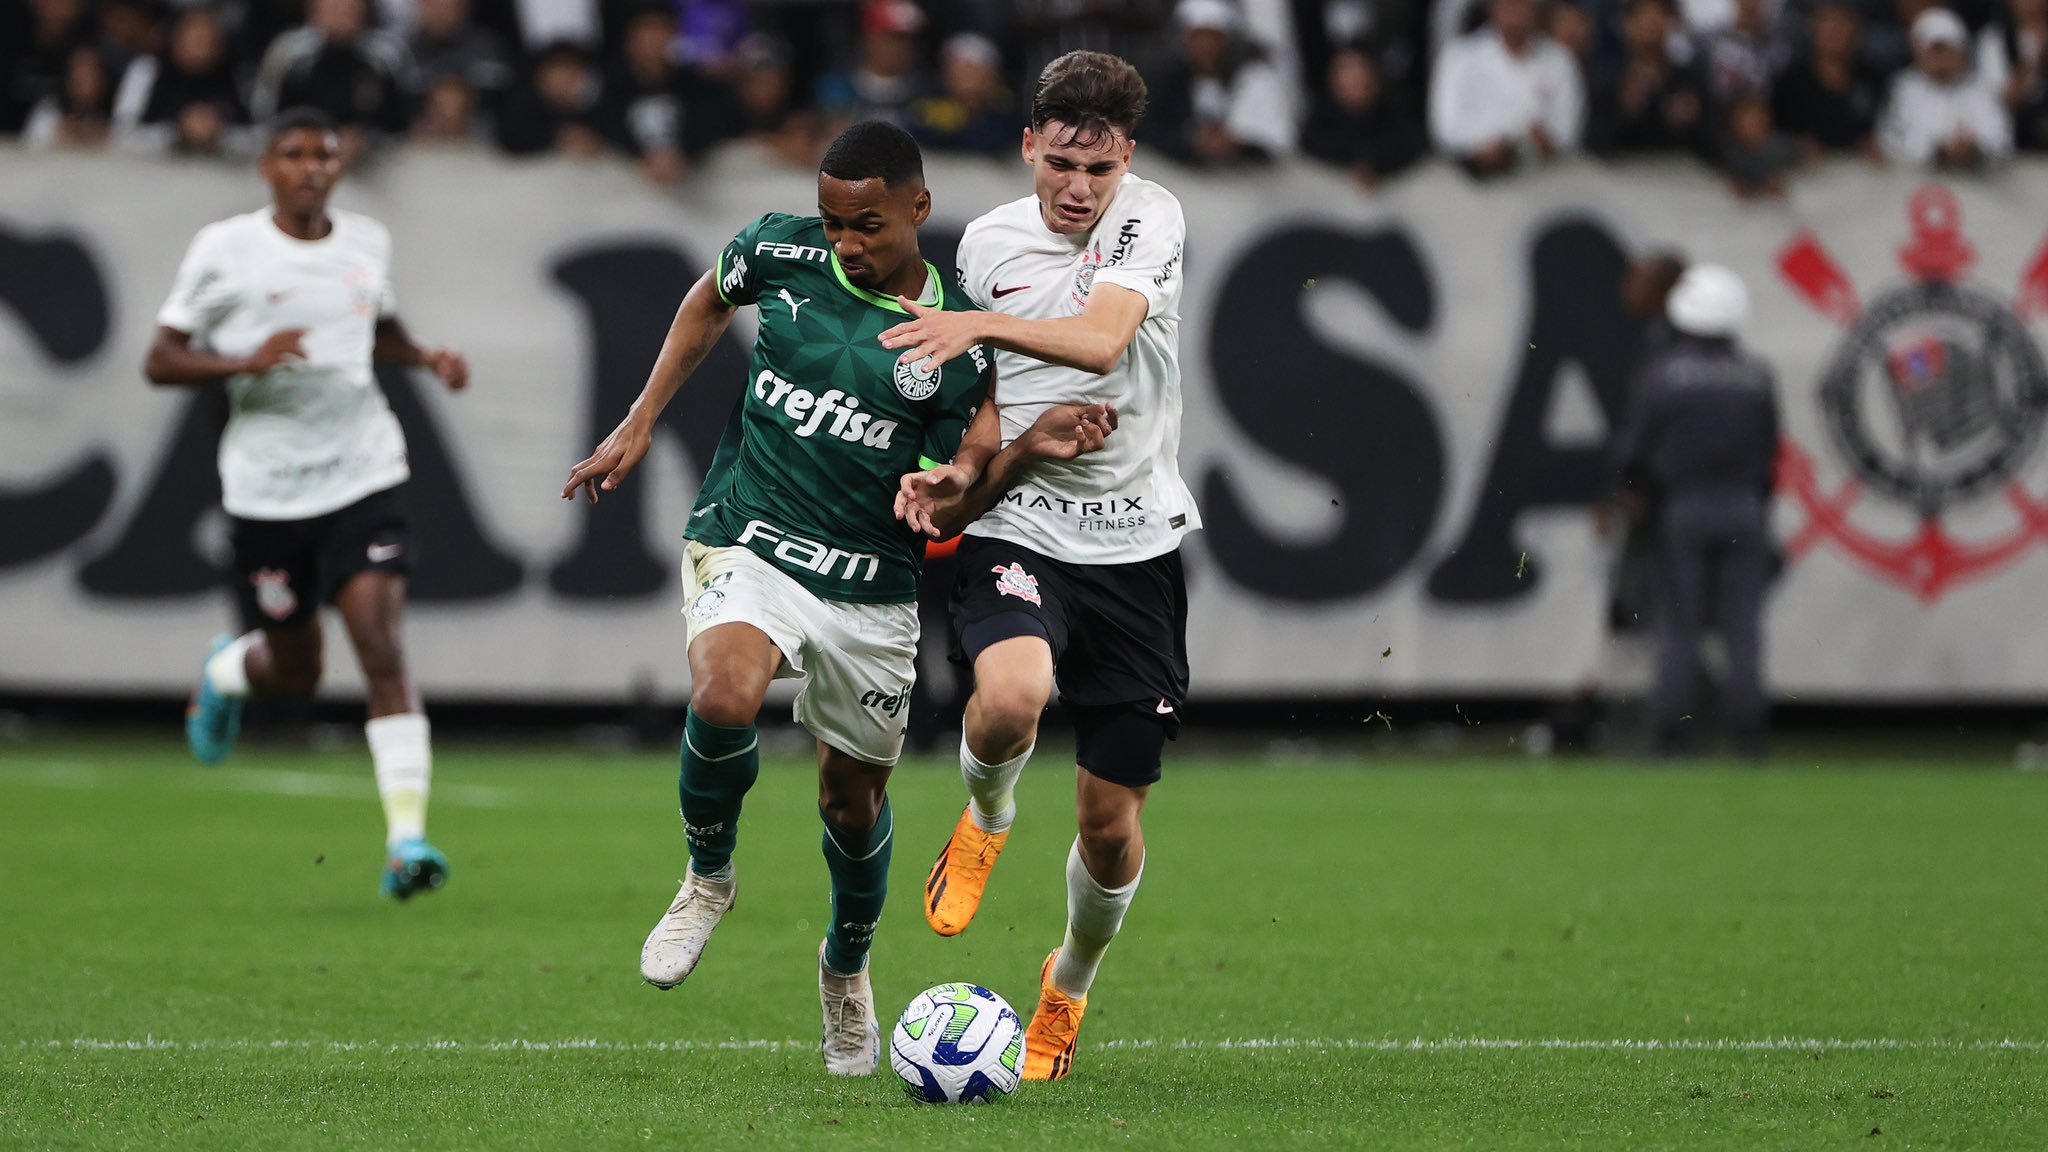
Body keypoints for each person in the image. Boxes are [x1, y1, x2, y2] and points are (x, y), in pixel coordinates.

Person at [559, 120, 1112, 1077]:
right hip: (750, 533)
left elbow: (968, 479)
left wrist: (987, 469)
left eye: (866, 226)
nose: (844, 245)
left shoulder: (953, 340)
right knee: (723, 695)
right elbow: (708, 298)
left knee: (850, 803)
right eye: (831, 223)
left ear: (918, 210)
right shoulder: (779, 248)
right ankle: (708, 875)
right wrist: (640, 419)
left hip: (868, 585)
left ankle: (846, 970)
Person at [880, 49, 1198, 1082]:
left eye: (1096, 170)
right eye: (1060, 162)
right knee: (1010, 698)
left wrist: (970, 317)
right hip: (1022, 525)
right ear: (1027, 146)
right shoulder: (986, 242)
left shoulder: (1151, 217)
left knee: (1109, 831)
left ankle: (1068, 980)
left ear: (1126, 163)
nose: (1076, 189)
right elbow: (984, 396)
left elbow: (1104, 342)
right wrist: (963, 470)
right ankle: (983, 818)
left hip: (1136, 546)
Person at [145, 107, 471, 900]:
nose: (311, 168)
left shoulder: (366, 240)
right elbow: (160, 359)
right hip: (267, 491)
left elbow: (373, 327)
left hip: (363, 471)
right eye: (293, 155)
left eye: (324, 155)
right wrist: (240, 360)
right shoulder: (226, 249)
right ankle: (227, 673)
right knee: (296, 669)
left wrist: (423, 354)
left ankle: (407, 843)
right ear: (267, 166)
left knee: (381, 648)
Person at [1616, 264, 1780, 759]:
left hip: (1683, 509)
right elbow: (1771, 451)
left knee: (1679, 625)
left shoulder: (1664, 375)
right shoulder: (1757, 376)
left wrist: (1635, 502)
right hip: (1744, 508)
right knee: (1742, 626)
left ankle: (1672, 733)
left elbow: (1633, 453)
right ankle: (1748, 735)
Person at [1428, 0, 1586, 177]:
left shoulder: (1559, 60)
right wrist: (1491, 145)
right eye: (1508, 4)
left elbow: (1567, 134)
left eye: (1522, 4)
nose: (1514, 12)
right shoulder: (1459, 56)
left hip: (1543, 180)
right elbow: (1446, 130)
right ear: (1491, 7)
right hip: (1472, 183)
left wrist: (1540, 141)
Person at [1879, 6, 2014, 168]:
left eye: (1947, 50)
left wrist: (1974, 149)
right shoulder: (1903, 90)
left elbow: (2001, 141)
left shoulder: (1980, 91)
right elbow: (1889, 142)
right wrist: (1936, 151)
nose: (1941, 59)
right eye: (1935, 51)